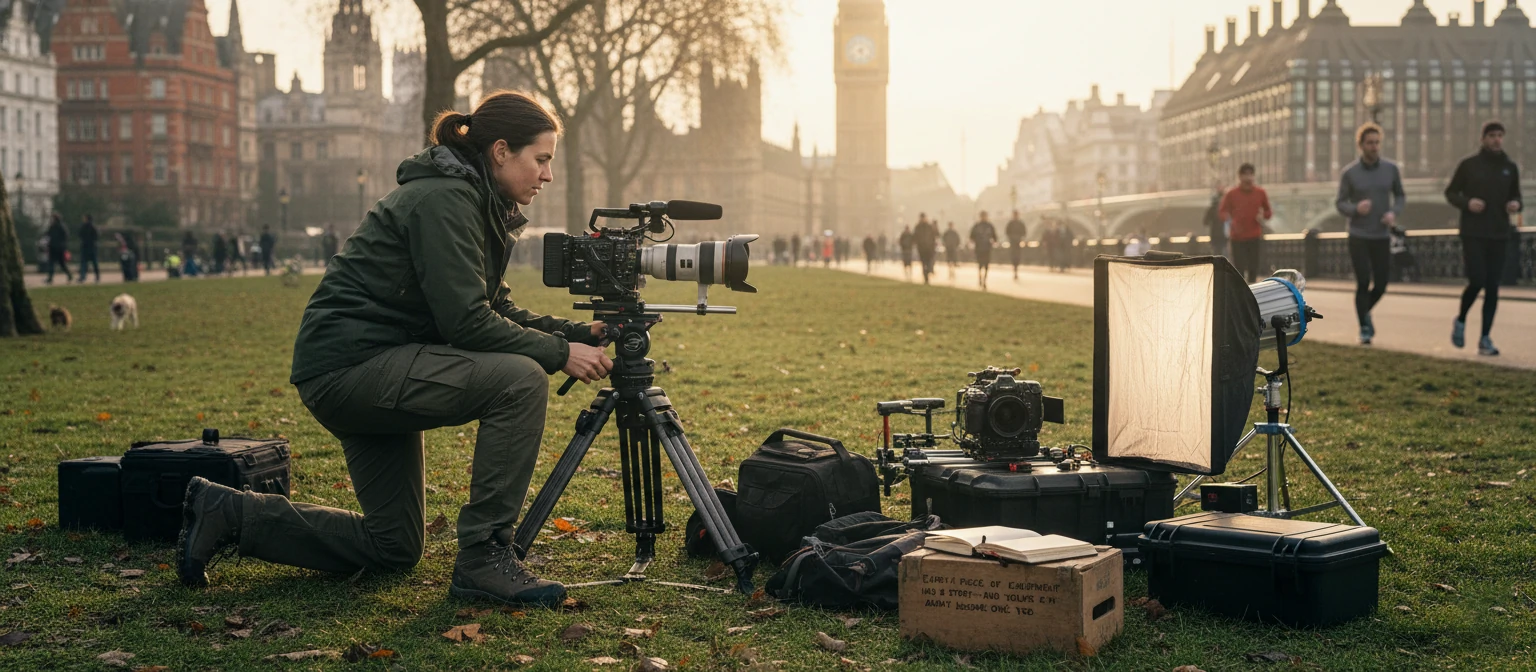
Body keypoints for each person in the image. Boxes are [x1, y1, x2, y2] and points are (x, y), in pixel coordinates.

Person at [176, 90, 613, 608]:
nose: (547, 175)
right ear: (500, 151)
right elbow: (467, 323)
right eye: (540, 159)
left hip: (369, 366)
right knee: (519, 380)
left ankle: (229, 513)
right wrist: (557, 355)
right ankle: (483, 559)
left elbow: (493, 306)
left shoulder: (473, 201)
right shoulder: (445, 200)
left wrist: (576, 334)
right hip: (351, 368)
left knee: (395, 546)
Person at [1444, 121, 1521, 356]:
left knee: (1493, 288)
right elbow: (1450, 193)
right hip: (1474, 233)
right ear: (1483, 139)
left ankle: (1485, 338)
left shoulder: (1510, 167)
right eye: (1492, 136)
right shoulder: (1469, 165)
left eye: (1500, 136)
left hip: (1499, 233)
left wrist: (1515, 204)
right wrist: (1468, 203)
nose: (1496, 140)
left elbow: (1516, 196)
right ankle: (1461, 319)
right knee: (1476, 280)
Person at [1336, 122, 1405, 345]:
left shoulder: (1391, 169)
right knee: (1363, 281)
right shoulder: (1350, 173)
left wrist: (1393, 213)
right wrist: (1355, 209)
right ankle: (1365, 327)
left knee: (1382, 283)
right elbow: (1339, 203)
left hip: (1381, 235)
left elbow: (1400, 196)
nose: (1374, 146)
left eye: (1377, 142)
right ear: (1361, 145)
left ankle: (1364, 313)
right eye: (1369, 143)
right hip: (1358, 235)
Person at [1218, 164, 1272, 282]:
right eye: (1245, 175)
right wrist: (1229, 220)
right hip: (1237, 237)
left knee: (1253, 267)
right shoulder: (1231, 194)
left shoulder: (1260, 192)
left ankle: (1252, 294)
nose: (1248, 178)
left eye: (1250, 174)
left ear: (1253, 176)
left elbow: (1268, 212)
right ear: (1240, 177)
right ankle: (1241, 294)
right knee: (1239, 269)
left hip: (1254, 235)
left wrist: (1262, 216)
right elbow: (1222, 211)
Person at [969, 211, 997, 290]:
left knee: (986, 265)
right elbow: (971, 237)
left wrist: (993, 242)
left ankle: (984, 280)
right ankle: (980, 278)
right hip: (979, 248)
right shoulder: (977, 226)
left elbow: (994, 237)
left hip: (987, 248)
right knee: (980, 265)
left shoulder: (989, 226)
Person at [44, 214, 72, 284]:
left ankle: (69, 275)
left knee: (61, 264)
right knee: (52, 263)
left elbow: (65, 236)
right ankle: (50, 278)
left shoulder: (60, 227)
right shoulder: (53, 227)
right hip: (53, 247)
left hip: (59, 248)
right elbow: (48, 235)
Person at [913, 214, 939, 285]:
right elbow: (915, 237)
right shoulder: (918, 227)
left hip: (929, 248)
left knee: (930, 262)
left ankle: (929, 271)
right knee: (924, 263)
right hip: (922, 249)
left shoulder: (930, 227)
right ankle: (926, 277)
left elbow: (936, 234)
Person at [77, 214, 100, 283]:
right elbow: (97, 236)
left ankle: (83, 276)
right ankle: (97, 276)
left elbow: (80, 235)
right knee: (93, 263)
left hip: (86, 247)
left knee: (84, 263)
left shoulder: (84, 227)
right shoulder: (93, 227)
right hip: (91, 247)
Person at [1004, 210, 1026, 279]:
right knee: (1013, 256)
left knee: (1017, 257)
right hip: (1013, 243)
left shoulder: (1020, 223)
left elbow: (1024, 232)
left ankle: (1016, 269)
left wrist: (1020, 238)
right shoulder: (1011, 223)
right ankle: (1015, 269)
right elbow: (1007, 232)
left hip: (1018, 242)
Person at [1204, 191, 1226, 257]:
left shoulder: (1211, 209)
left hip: (1215, 234)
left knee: (1216, 252)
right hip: (1224, 234)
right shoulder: (1226, 208)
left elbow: (1205, 222)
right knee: (1223, 252)